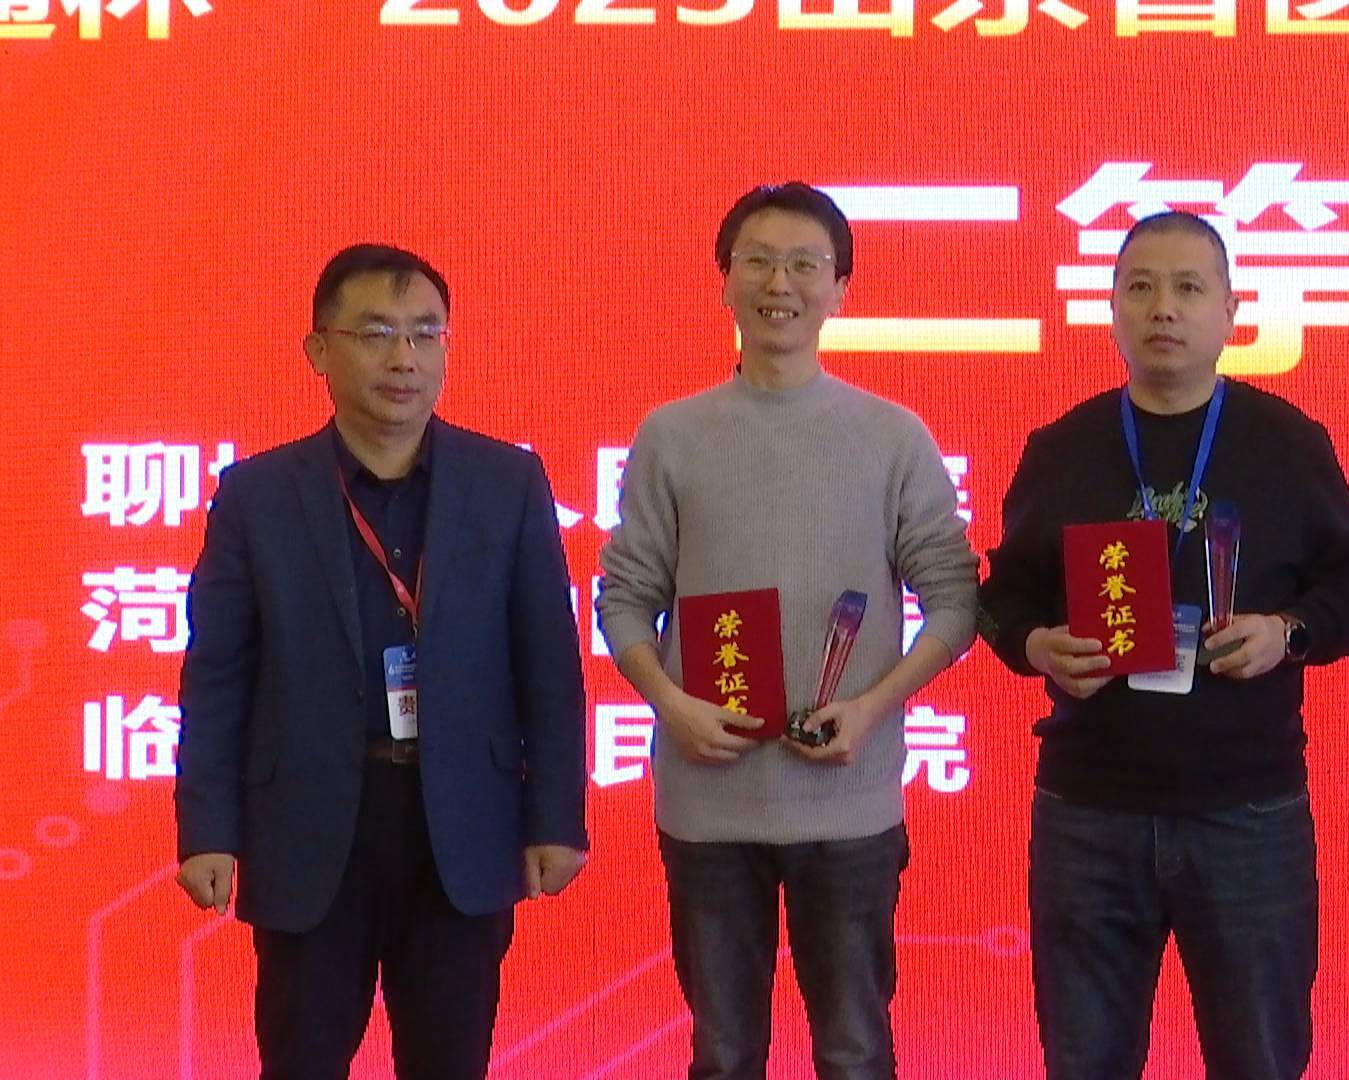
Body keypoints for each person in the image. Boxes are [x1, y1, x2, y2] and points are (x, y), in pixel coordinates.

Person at [976, 210, 1349, 1079]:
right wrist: (1037, 644)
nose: (1163, 307)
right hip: (1089, 808)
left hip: (1246, 809)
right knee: (1085, 1061)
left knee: (1260, 1059)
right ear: (1112, 309)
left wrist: (1287, 633)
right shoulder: (1062, 448)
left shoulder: (1288, 443)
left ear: (1231, 312)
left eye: (1189, 288)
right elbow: (1001, 597)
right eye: (1141, 287)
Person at [174, 243, 589, 1080]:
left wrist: (556, 816)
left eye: (426, 333)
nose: (405, 358)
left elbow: (549, 663)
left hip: (461, 826)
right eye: (376, 333)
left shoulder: (507, 482)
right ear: (319, 350)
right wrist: (207, 831)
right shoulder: (258, 494)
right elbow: (217, 677)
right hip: (309, 826)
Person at [596, 182, 979, 1080]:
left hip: (848, 802)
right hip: (708, 804)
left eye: (806, 264)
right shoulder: (673, 435)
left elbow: (955, 600)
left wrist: (874, 707)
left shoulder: (891, 436)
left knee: (853, 1051)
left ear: (841, 288)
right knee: (724, 1053)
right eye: (759, 262)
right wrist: (672, 704)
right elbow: (625, 598)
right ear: (724, 281)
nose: (781, 283)